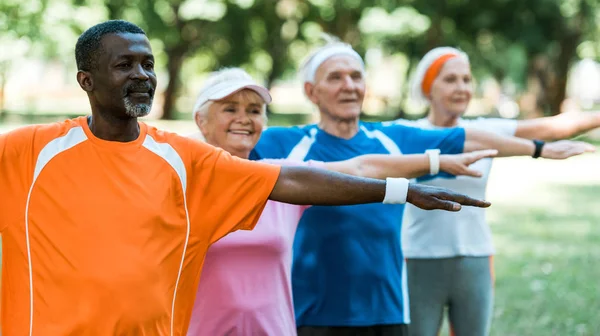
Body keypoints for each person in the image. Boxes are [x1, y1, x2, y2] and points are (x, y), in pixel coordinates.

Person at [0, 21, 492, 336]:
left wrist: (402, 191)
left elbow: (289, 180)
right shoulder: (31, 151)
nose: (142, 75)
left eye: (148, 64)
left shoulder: (180, 158)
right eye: (124, 65)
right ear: (86, 80)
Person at [250, 39, 594, 336]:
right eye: (335, 78)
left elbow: (468, 137)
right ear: (311, 91)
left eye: (356, 77)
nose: (349, 86)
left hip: (388, 313)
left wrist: (537, 149)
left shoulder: (393, 138)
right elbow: (221, 154)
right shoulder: (283, 143)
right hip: (310, 314)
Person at [185, 68, 499, 336]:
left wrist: (435, 163)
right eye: (230, 108)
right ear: (202, 120)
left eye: (254, 110)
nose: (244, 119)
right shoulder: (179, 183)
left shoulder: (283, 179)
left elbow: (361, 167)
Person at [394, 46, 600, 336]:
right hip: (418, 257)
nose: (461, 88)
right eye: (450, 79)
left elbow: (552, 127)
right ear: (428, 87)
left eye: (467, 79)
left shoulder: (486, 129)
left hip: (475, 258)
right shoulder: (406, 132)